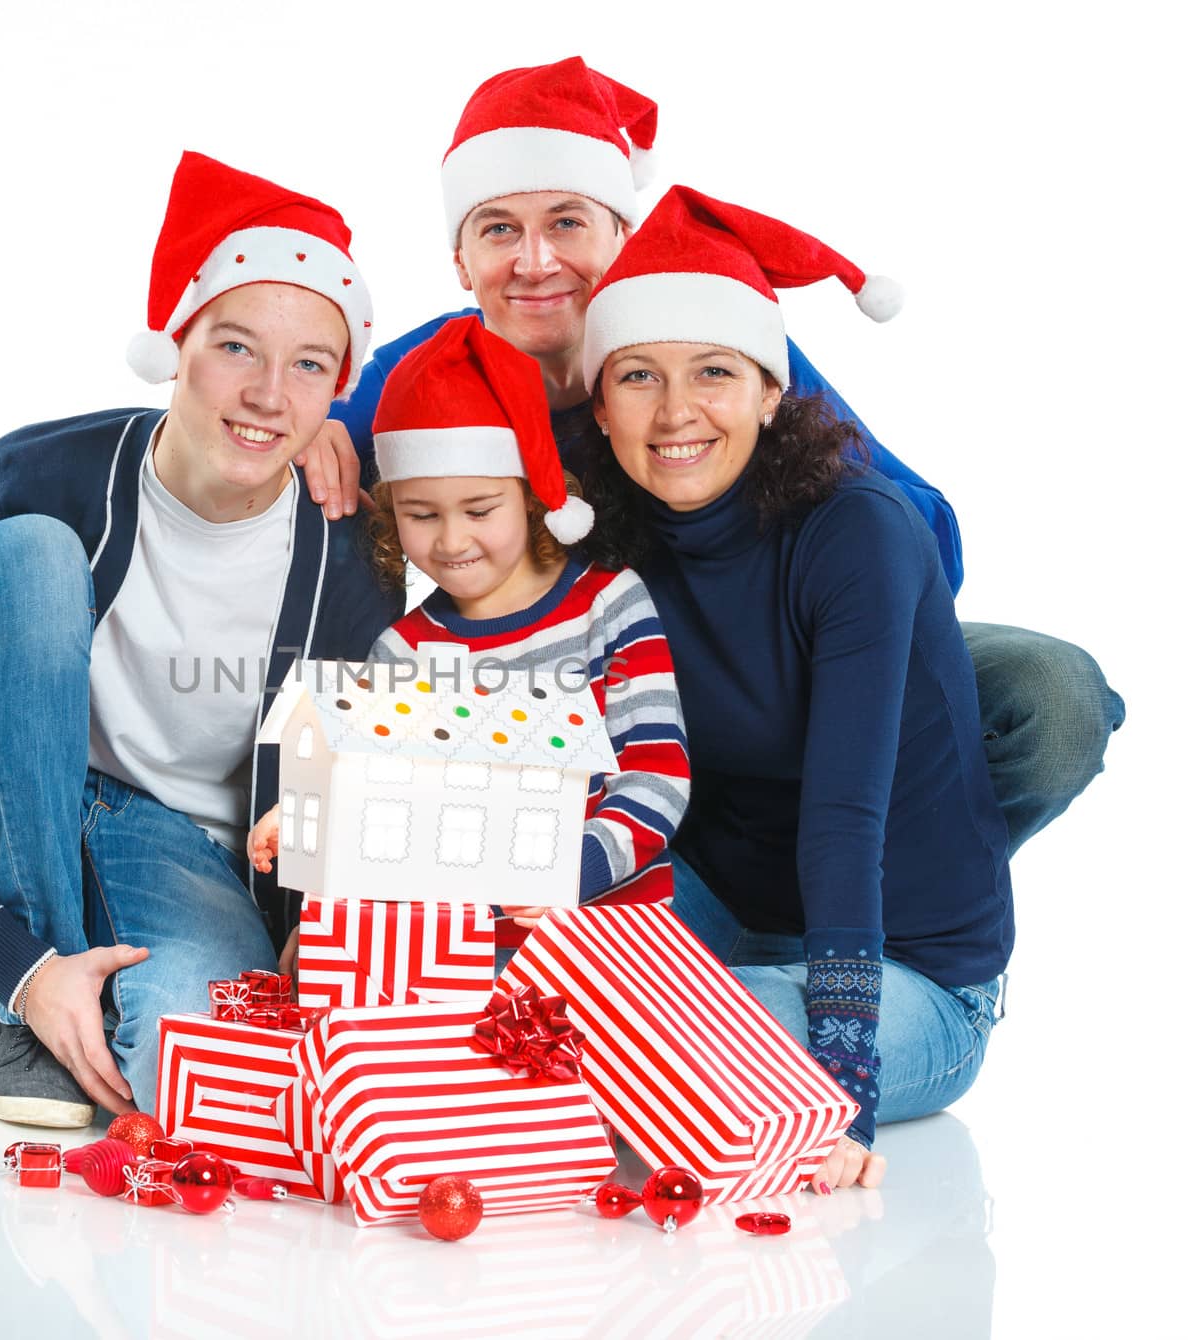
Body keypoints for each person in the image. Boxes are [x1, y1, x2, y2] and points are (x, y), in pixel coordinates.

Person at [299, 56, 1122, 859]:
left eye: (567, 223)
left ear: (623, 236)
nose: (536, 260)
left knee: (1051, 698)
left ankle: (909, 900)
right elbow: (283, 442)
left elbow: (928, 544)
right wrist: (320, 426)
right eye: (499, 229)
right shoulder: (416, 380)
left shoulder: (710, 331)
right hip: (597, 717)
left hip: (801, 667)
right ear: (461, 260)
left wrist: (812, 572)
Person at [0, 152, 401, 1127]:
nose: (266, 393)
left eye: (307, 364)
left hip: (191, 857)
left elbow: (370, 767)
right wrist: (17, 961)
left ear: (337, 387)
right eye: (236, 347)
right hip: (20, 788)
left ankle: (95, 970)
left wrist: (316, 916)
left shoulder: (344, 547)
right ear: (176, 342)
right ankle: (36, 991)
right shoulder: (37, 473)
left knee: (216, 1087)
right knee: (32, 560)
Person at [578, 184, 1016, 1192]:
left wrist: (842, 1079)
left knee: (644, 1054)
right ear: (599, 405)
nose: (675, 410)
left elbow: (845, 818)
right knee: (513, 988)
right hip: (725, 897)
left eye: (714, 372)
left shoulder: (855, 527)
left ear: (772, 389)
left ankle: (744, 1030)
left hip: (909, 964)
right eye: (638, 375)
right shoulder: (609, 531)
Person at [246, 316, 690, 965]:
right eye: (421, 515)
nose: (451, 542)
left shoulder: (610, 606)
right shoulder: (403, 651)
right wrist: (313, 827)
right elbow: (379, 803)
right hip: (457, 958)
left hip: (609, 941)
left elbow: (657, 774)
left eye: (480, 511)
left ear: (537, 498)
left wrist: (577, 866)